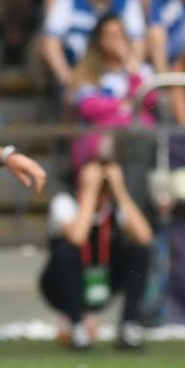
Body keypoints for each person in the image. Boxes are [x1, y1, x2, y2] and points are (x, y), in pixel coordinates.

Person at [41, 143, 153, 351]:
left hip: (101, 283)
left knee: (139, 251)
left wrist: (119, 190)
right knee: (67, 251)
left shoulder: (114, 208)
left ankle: (129, 327)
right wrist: (90, 191)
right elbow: (77, 237)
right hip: (61, 287)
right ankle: (77, 327)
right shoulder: (64, 202)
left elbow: (145, 237)